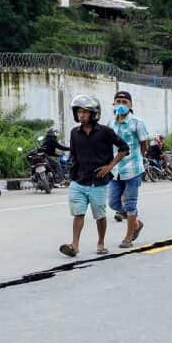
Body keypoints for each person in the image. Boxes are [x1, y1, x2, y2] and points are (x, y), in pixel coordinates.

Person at [59, 94, 130, 257]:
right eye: (79, 112)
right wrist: (70, 174)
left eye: (84, 112)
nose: (81, 115)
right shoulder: (74, 133)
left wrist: (110, 166)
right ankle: (74, 246)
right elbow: (74, 155)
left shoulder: (105, 132)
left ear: (94, 114)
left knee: (100, 215)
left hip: (98, 183)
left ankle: (101, 243)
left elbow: (124, 148)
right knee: (78, 213)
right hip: (79, 181)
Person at [107, 91, 148, 247]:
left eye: (125, 101)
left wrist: (139, 159)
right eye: (118, 101)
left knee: (130, 204)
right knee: (113, 203)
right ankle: (136, 224)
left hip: (133, 169)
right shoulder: (110, 124)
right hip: (116, 170)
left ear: (130, 105)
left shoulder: (137, 123)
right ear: (114, 104)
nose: (121, 104)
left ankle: (128, 237)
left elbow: (143, 143)